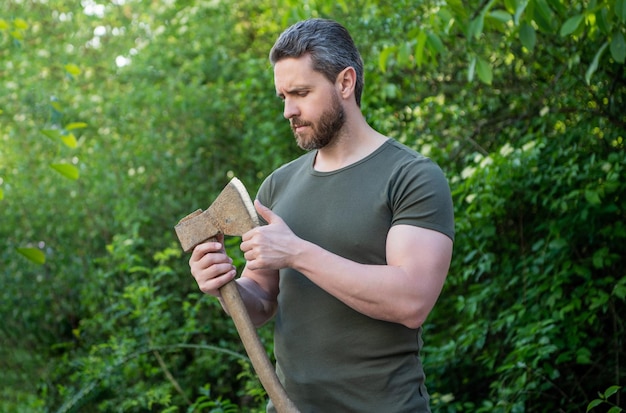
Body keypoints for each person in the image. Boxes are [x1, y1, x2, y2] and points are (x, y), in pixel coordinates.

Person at [189, 18, 454, 413]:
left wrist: (297, 253)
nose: (288, 111)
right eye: (282, 96)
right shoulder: (276, 188)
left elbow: (411, 301)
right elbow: (260, 301)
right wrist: (223, 285)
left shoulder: (411, 177)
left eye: (300, 93)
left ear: (345, 83)